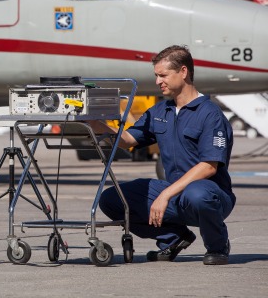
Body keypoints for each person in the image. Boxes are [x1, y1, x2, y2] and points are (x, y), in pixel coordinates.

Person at [93, 45, 235, 265]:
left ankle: (218, 246)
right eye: (156, 76)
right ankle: (173, 238)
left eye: (163, 75)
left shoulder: (210, 114)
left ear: (184, 72)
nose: (158, 81)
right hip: (176, 194)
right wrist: (93, 122)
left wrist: (165, 194)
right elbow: (128, 140)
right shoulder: (160, 111)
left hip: (211, 194)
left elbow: (209, 166)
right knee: (111, 200)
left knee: (197, 194)